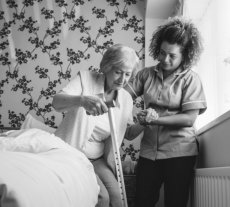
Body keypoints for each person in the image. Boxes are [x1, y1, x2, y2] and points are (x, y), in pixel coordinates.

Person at [125, 17, 207, 207]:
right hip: (148, 153)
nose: (164, 59)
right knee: (142, 202)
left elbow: (189, 118)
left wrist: (155, 119)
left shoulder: (191, 79)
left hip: (180, 152)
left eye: (172, 55)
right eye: (162, 53)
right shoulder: (146, 74)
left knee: (175, 203)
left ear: (185, 56)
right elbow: (123, 96)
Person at [52, 44, 144, 207]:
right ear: (107, 67)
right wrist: (81, 100)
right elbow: (57, 102)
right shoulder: (86, 79)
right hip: (73, 154)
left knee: (117, 198)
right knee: (102, 197)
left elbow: (128, 133)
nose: (122, 80)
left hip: (98, 158)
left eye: (128, 74)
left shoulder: (126, 99)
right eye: (118, 72)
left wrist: (143, 123)